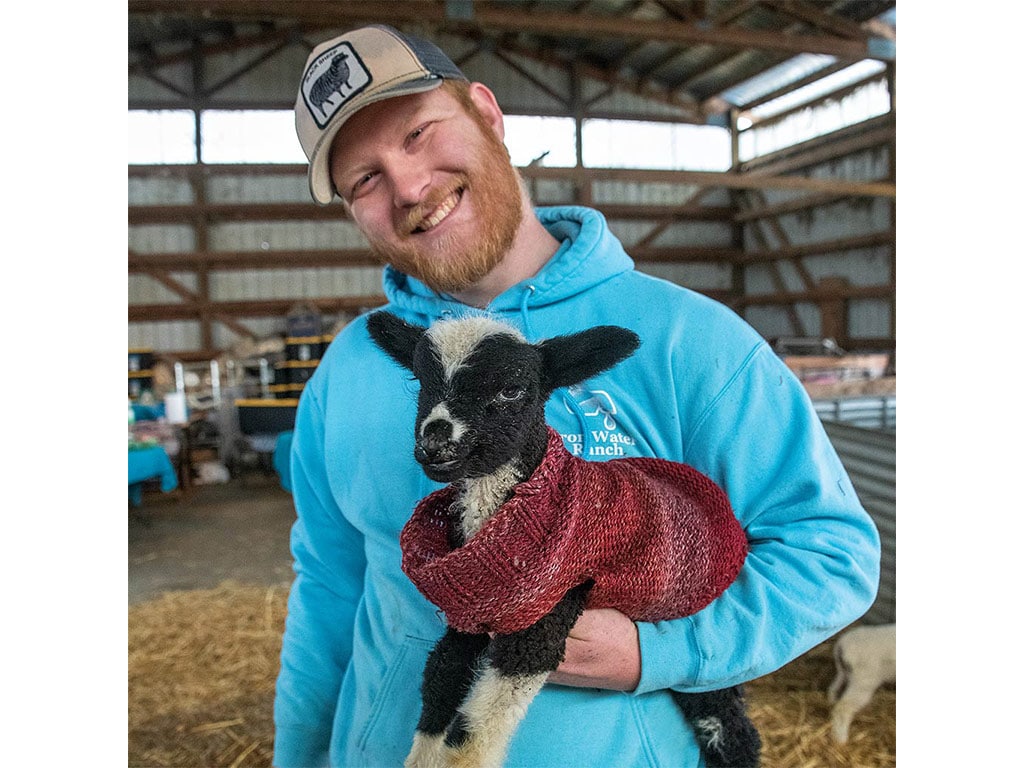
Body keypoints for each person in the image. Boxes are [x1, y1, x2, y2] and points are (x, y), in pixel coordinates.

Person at [274, 23, 881, 768]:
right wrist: (298, 755)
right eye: (363, 178)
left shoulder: (687, 340)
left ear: (487, 116)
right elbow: (331, 586)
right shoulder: (350, 367)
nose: (406, 186)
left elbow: (832, 552)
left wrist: (656, 651)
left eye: (419, 132)